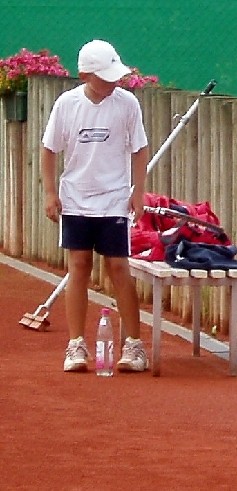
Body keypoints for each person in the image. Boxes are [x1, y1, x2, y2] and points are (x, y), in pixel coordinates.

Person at [41, 39, 149, 373]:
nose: (114, 82)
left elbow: (140, 149)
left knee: (118, 267)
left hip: (114, 199)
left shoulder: (127, 104)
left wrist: (138, 192)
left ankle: (134, 345)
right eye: (105, 77)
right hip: (75, 198)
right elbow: (49, 149)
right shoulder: (67, 104)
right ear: (86, 75)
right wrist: (50, 192)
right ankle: (76, 345)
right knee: (79, 265)